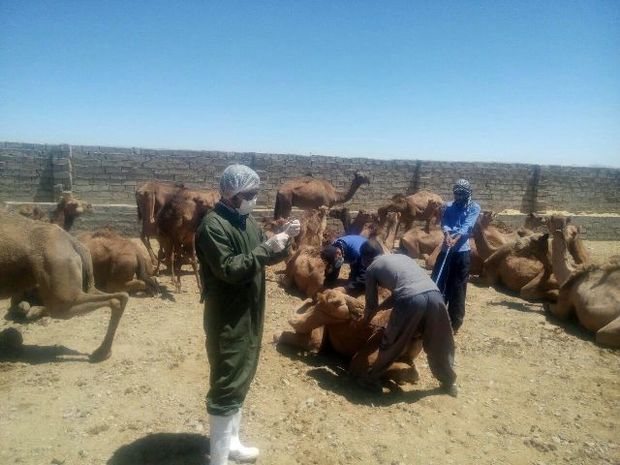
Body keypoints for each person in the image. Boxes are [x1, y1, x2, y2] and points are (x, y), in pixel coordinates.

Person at [195, 164, 300, 465]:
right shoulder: (213, 226)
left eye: (255, 193)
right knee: (228, 380)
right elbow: (230, 269)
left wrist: (284, 239)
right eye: (249, 194)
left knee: (242, 376)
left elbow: (261, 256)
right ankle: (218, 459)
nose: (254, 199)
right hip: (228, 316)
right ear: (231, 194)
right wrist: (269, 247)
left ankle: (233, 444)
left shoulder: (245, 222)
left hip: (250, 312)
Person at [359, 240, 457, 396]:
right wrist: (382, 306)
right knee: (439, 340)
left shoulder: (371, 268)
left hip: (410, 300)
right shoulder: (401, 257)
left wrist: (364, 322)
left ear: (364, 258)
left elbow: (371, 304)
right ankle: (449, 382)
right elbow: (406, 287)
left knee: (392, 340)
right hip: (435, 294)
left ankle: (370, 380)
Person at [431, 179, 480, 333]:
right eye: (456, 194)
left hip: (461, 253)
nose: (458, 197)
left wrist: (456, 237)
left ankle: (455, 323)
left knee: (458, 288)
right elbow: (444, 221)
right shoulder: (448, 206)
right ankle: (435, 316)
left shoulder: (474, 207)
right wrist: (446, 234)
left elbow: (468, 225)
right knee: (438, 283)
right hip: (446, 250)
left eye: (461, 194)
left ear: (467, 194)